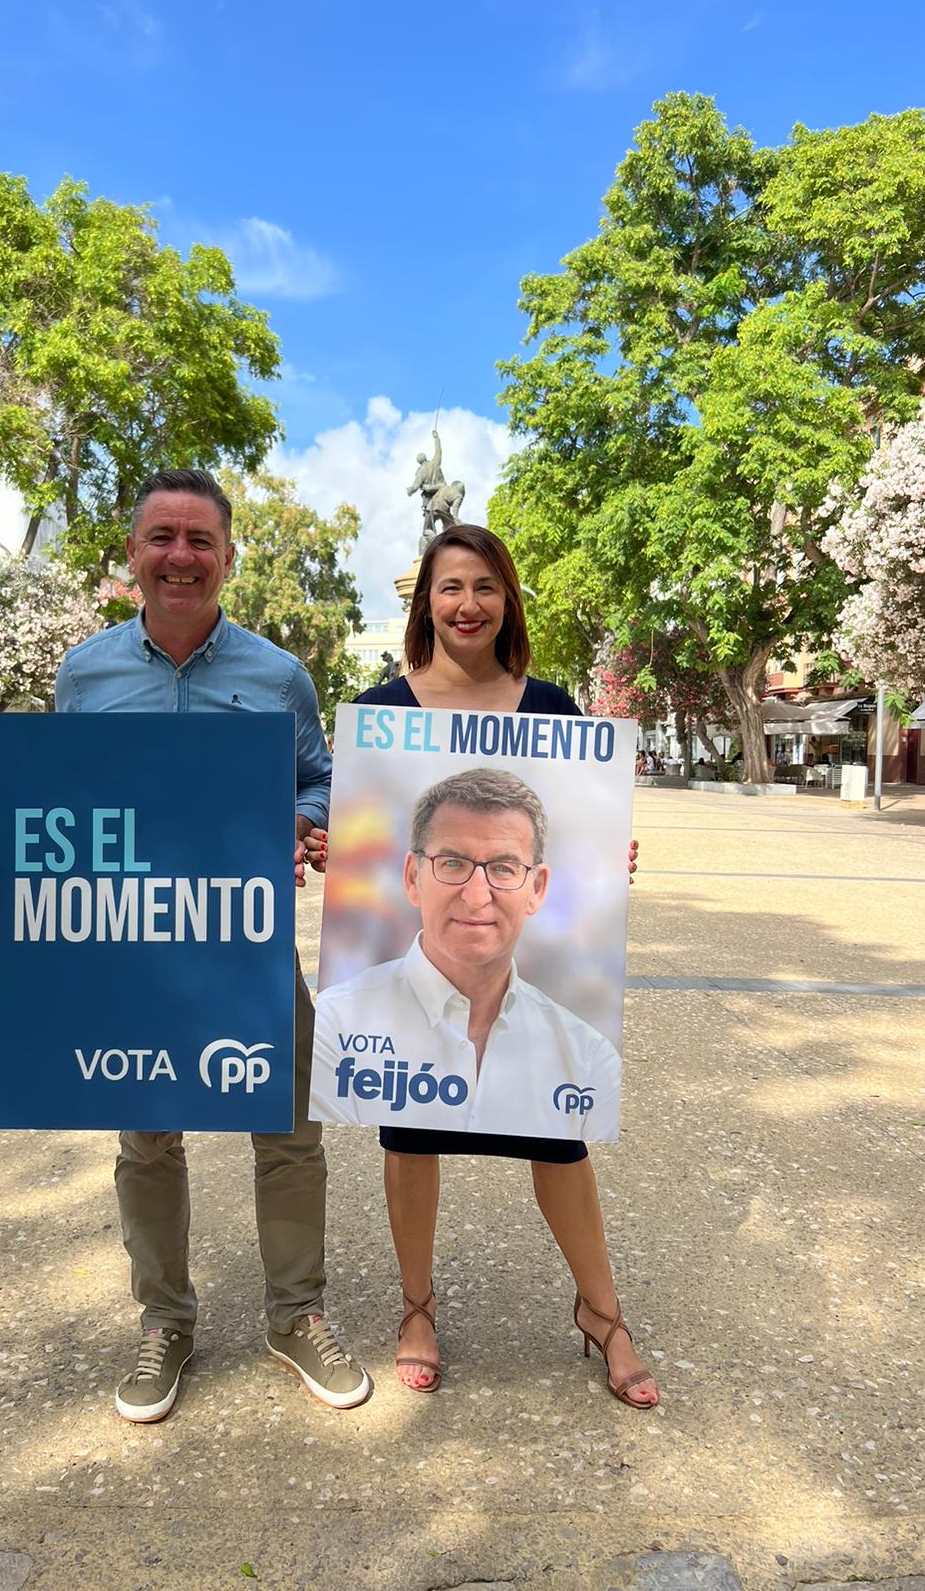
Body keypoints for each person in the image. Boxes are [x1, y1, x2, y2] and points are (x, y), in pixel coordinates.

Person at [0, 469, 370, 1425]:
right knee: (146, 1139)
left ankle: (295, 1315)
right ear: (133, 557)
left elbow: (323, 782)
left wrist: (301, 825)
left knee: (288, 1130)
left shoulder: (278, 676)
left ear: (228, 558)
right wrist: (26, 845)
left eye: (200, 540)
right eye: (162, 537)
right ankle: (166, 1322)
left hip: (247, 939)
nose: (180, 556)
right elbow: (70, 798)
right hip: (133, 952)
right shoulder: (85, 674)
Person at [305, 523, 657, 1407]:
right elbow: (366, 838)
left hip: (519, 986)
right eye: (450, 587)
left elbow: (571, 844)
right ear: (426, 601)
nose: (468, 604)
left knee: (559, 1138)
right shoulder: (383, 708)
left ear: (508, 601)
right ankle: (415, 1308)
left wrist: (606, 859)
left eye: (486, 587)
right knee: (410, 1133)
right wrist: (331, 853)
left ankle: (603, 1311)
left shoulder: (551, 707)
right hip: (414, 983)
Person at [311, 767, 621, 1136]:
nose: (476, 897)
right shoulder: (335, 1025)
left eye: (503, 868)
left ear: (536, 889)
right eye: (453, 863)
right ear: (413, 877)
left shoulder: (590, 1059)